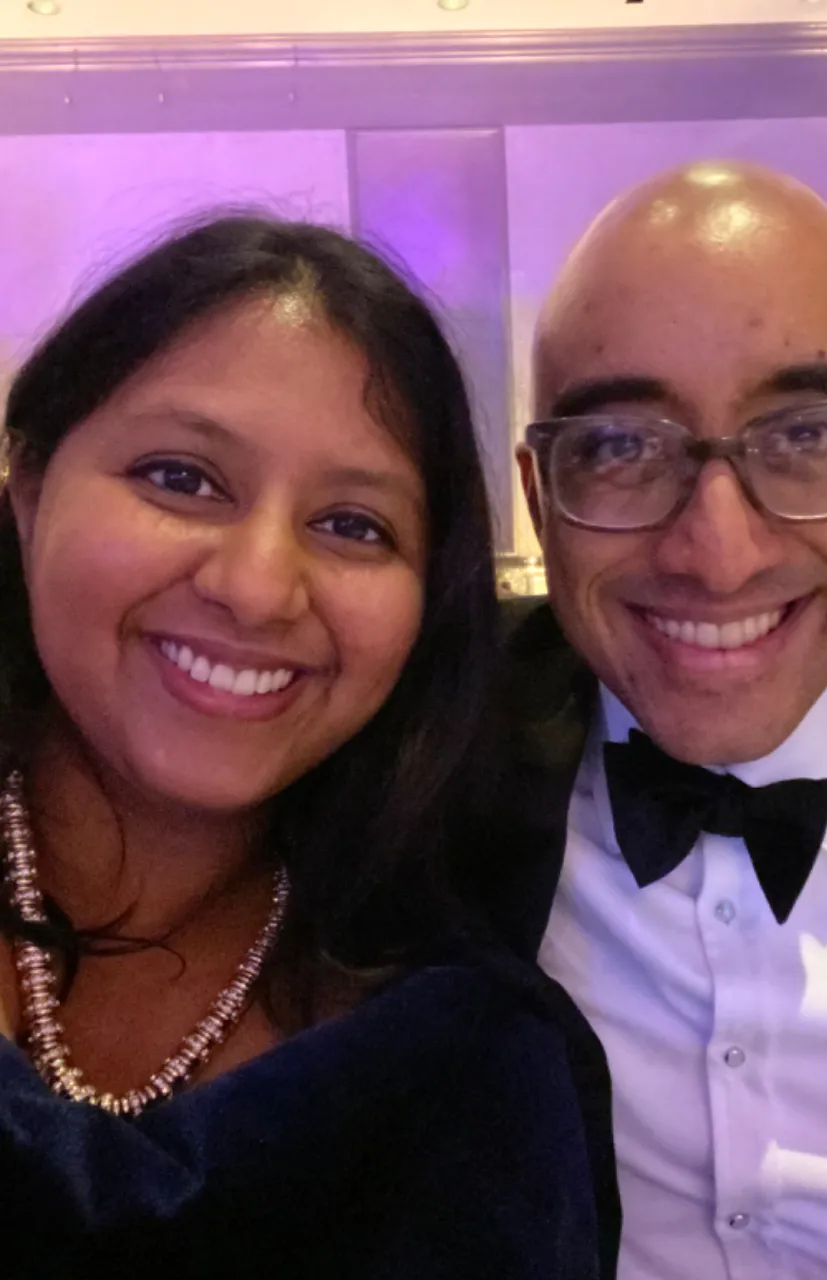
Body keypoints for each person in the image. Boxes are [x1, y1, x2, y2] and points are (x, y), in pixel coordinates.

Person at [0, 214, 619, 1277]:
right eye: (180, 477)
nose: (254, 585)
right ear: (26, 488)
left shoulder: (462, 1064)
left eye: (353, 525)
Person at [469, 161, 827, 1278]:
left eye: (807, 435)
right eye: (621, 447)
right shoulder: (431, 750)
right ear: (542, 499)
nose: (718, 553)